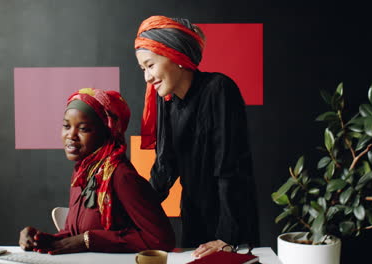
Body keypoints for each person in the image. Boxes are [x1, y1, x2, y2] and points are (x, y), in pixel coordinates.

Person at [135, 15, 259, 258]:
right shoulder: (166, 100)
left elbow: (230, 168)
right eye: (143, 69)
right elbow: (164, 167)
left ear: (176, 56)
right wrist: (137, 212)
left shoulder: (219, 89)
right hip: (192, 218)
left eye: (150, 65)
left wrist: (228, 237)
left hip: (231, 222)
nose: (147, 78)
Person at [18, 88, 175, 254]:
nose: (71, 135)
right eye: (66, 126)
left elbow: (161, 239)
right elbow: (77, 234)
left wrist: (88, 240)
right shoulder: (82, 172)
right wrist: (42, 239)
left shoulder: (121, 176)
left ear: (106, 132)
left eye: (84, 129)